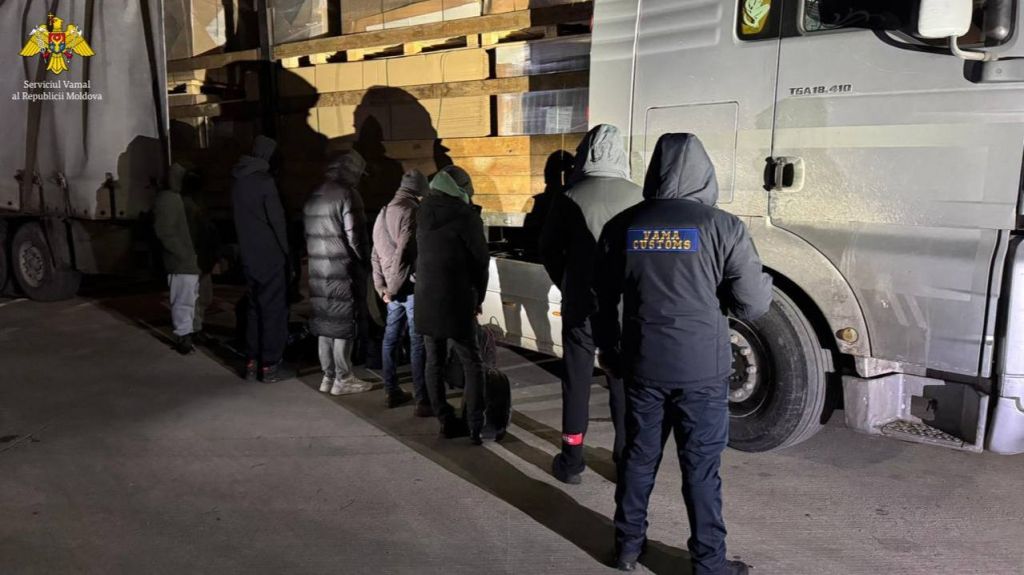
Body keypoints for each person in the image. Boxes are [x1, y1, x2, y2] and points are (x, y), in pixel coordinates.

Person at [594, 134, 772, 574]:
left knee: (638, 458)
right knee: (701, 468)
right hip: (701, 371)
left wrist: (609, 349)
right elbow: (752, 304)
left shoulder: (623, 225)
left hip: (642, 363)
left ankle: (627, 548)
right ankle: (709, 563)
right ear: (703, 173)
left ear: (655, 171)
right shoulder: (724, 227)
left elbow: (603, 298)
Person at [539, 124, 642, 485]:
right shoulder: (639, 196)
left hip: (581, 304)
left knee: (576, 380)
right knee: (622, 383)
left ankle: (572, 459)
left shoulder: (568, 196)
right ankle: (624, 458)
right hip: (624, 308)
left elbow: (549, 250)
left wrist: (568, 282)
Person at [415, 165, 490, 444]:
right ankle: (475, 425)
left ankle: (446, 421)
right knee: (472, 362)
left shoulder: (422, 211)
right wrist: (479, 298)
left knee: (434, 361)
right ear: (461, 188)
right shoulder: (466, 216)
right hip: (456, 298)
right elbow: (481, 262)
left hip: (426, 297)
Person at [305, 151, 376, 396]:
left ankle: (327, 377)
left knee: (325, 324)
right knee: (344, 324)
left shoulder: (315, 193)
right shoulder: (348, 194)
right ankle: (343, 378)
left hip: (318, 269)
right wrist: (367, 262)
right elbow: (356, 236)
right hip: (341, 269)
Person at [231, 135, 291, 382]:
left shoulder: (237, 180)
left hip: (248, 254)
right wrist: (286, 253)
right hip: (270, 255)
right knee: (273, 309)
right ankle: (269, 364)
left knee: (254, 309)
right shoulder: (265, 182)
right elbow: (277, 222)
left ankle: (251, 361)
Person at [372, 169, 431, 413]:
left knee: (391, 339)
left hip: (391, 288)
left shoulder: (384, 211)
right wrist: (394, 289)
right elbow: (405, 253)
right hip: (408, 287)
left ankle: (391, 391)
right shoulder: (412, 211)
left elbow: (375, 254)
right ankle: (422, 400)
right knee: (417, 342)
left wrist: (381, 287)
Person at [153, 163, 201, 355]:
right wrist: (184, 254)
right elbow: (165, 232)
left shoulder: (173, 198)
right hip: (181, 261)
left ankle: (187, 333)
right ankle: (183, 336)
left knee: (188, 297)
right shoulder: (168, 199)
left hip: (185, 260)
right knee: (183, 298)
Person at [180, 169, 220, 344]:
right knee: (195, 296)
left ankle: (194, 329)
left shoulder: (192, 206)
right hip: (194, 256)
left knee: (200, 296)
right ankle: (190, 332)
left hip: (197, 256)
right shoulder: (190, 207)